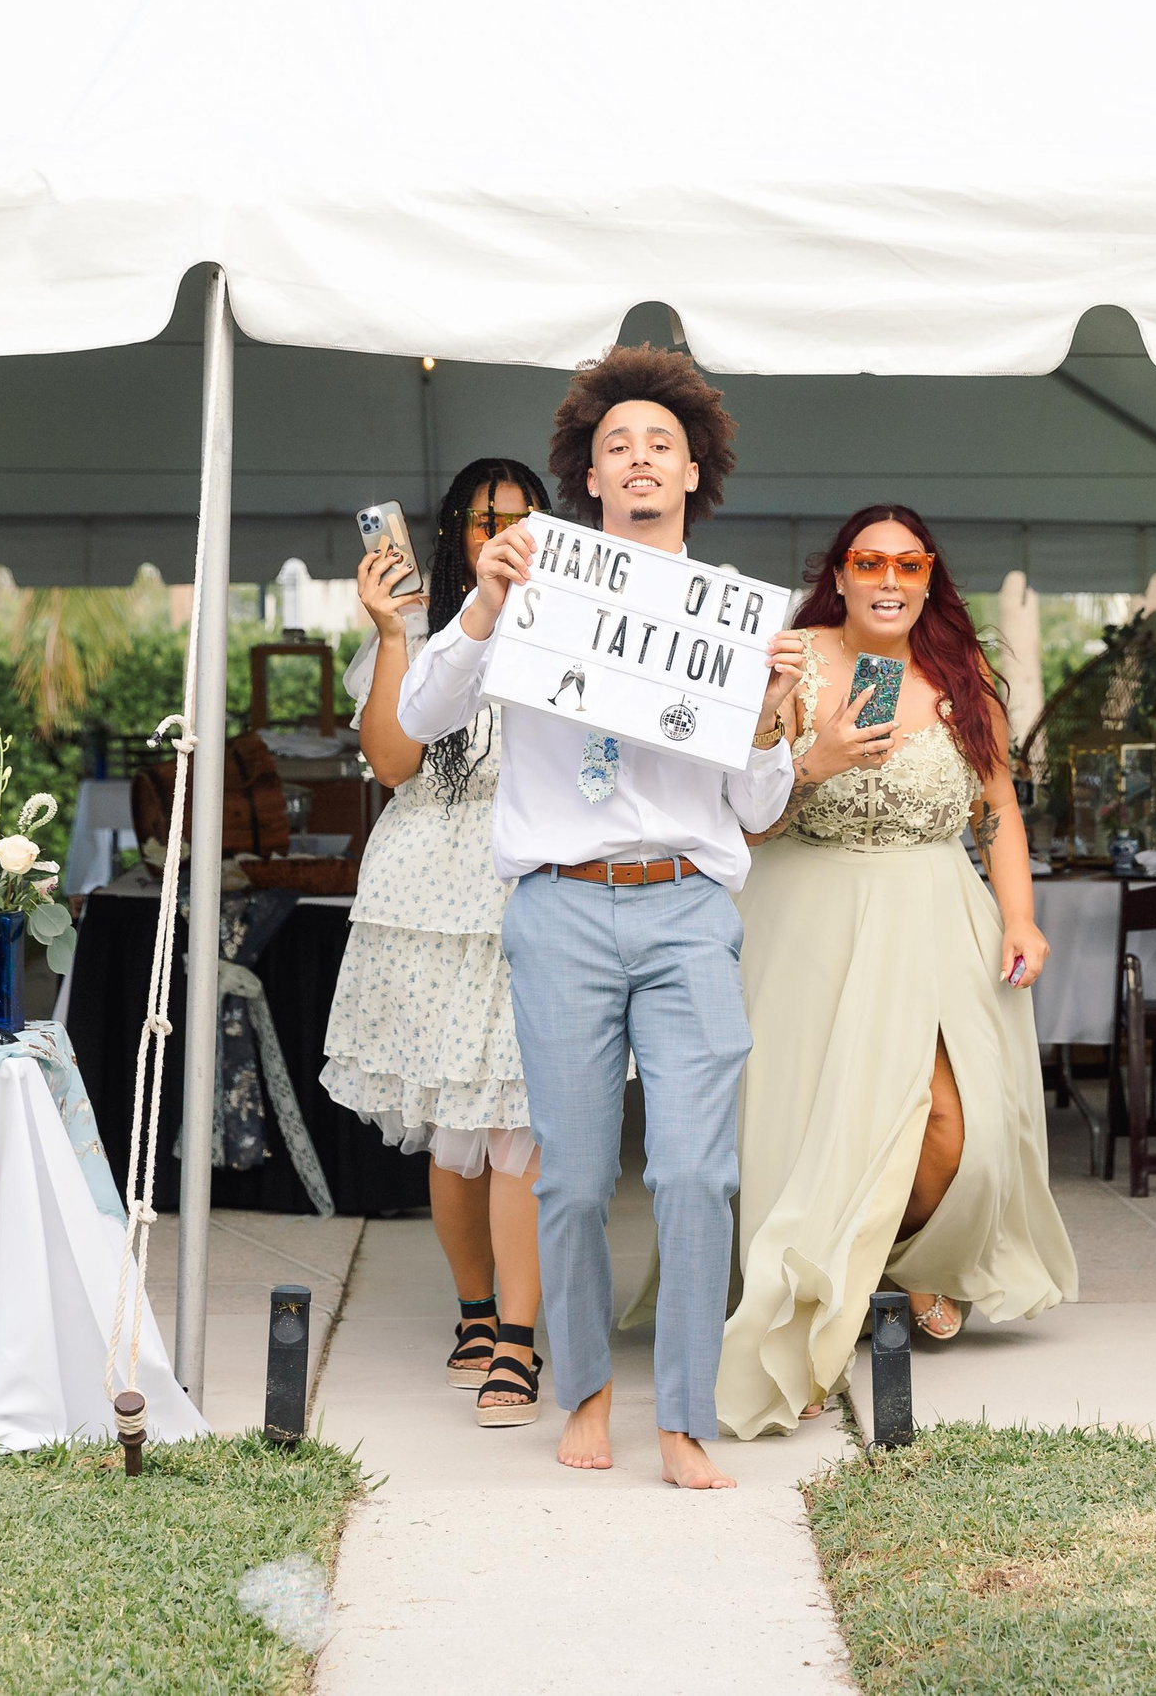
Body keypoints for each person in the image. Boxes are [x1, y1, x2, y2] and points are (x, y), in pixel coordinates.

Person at [395, 346, 806, 1489]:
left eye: (659, 445)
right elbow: (423, 714)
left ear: (692, 474)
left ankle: (683, 1415)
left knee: (693, 1173)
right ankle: (582, 1388)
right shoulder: (527, 589)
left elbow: (759, 808)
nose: (638, 459)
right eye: (615, 444)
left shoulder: (733, 621)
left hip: (685, 909)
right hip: (560, 911)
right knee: (571, 1179)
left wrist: (770, 719)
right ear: (586, 472)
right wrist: (481, 603)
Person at [714, 506, 1076, 1438]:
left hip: (931, 911)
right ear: (837, 574)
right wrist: (817, 756)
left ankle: (908, 1260)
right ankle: (850, 1277)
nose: (888, 578)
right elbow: (746, 821)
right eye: (868, 561)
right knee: (810, 1121)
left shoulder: (963, 678)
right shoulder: (789, 662)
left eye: (907, 563)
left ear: (927, 578)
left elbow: (996, 806)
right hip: (804, 915)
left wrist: (1023, 916)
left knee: (960, 1124)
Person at [322, 456, 554, 1429]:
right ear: (454, 531)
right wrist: (388, 633)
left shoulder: (575, 627)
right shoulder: (420, 625)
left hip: (532, 884)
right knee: (457, 1137)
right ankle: (473, 1314)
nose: (502, 528)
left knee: (521, 1128)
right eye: (482, 516)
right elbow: (389, 760)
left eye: (523, 515)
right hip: (425, 893)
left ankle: (518, 1339)